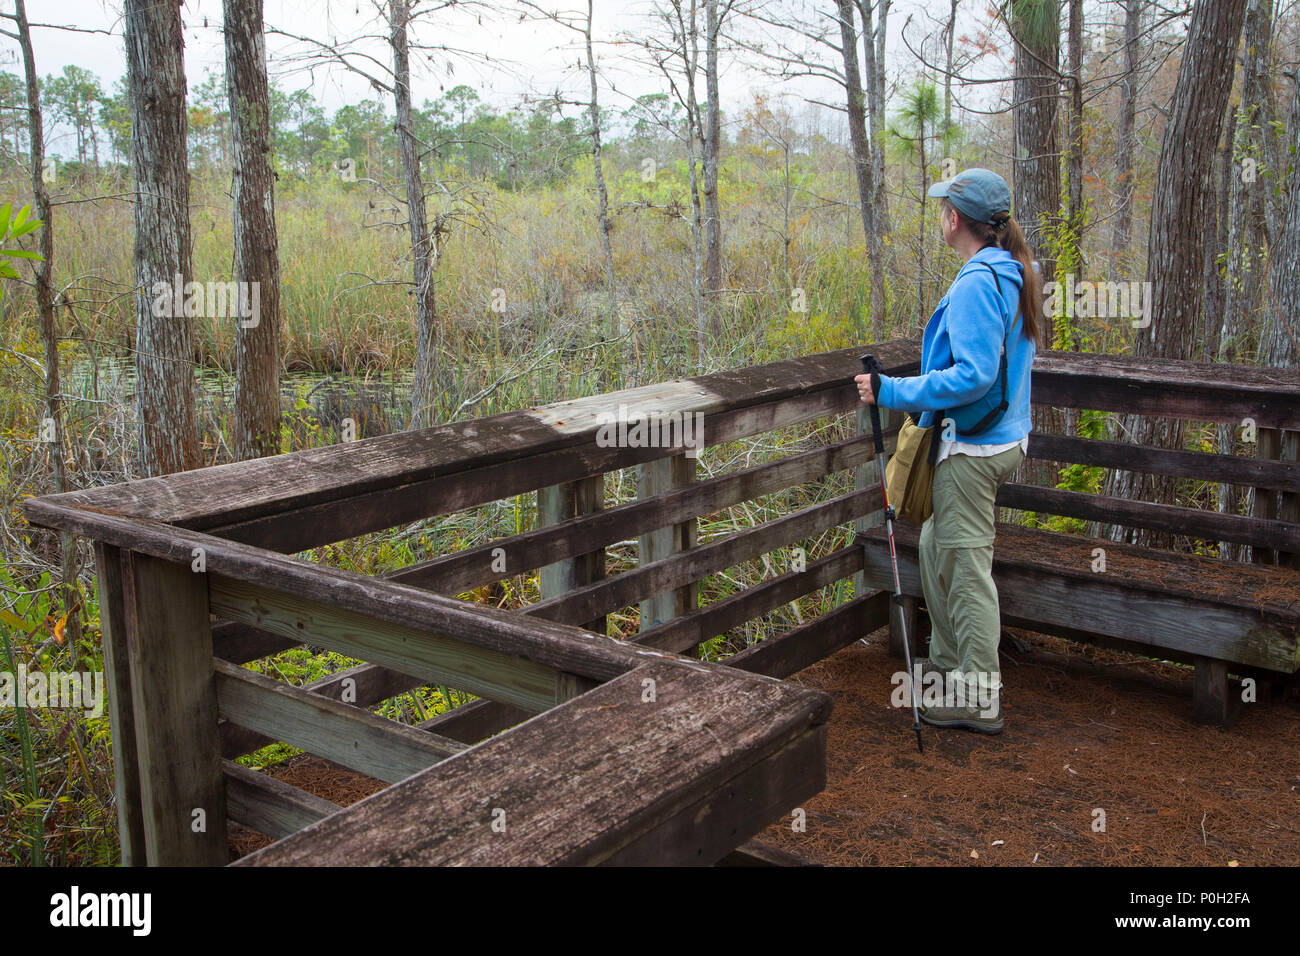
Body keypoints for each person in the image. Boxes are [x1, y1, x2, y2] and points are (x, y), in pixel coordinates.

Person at [854, 167, 1043, 734]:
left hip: (975, 452)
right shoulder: (1013, 270)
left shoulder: (978, 283)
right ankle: (947, 667)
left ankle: (978, 698)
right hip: (999, 439)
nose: (941, 216)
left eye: (944, 209)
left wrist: (893, 391)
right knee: (938, 546)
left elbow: (973, 376)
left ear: (955, 219)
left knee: (965, 570)